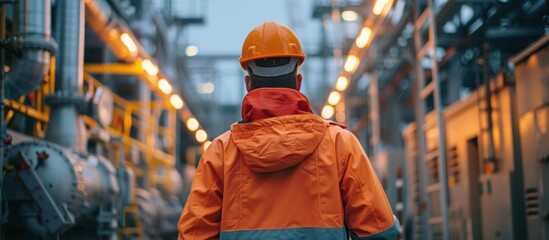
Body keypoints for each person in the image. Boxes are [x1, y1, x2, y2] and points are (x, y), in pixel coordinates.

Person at [177, 21, 399, 240]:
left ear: (248, 84)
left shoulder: (221, 153)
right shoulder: (340, 144)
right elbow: (379, 231)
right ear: (298, 81)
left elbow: (193, 235)